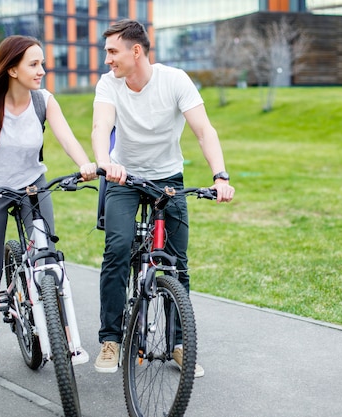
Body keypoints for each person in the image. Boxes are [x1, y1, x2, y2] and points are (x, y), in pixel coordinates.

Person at [91, 19, 235, 377]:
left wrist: (220, 175)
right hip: (124, 178)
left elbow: (204, 130)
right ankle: (110, 339)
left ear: (135, 50)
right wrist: (106, 164)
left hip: (168, 179)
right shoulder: (109, 84)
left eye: (112, 51)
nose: (107, 59)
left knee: (176, 262)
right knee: (117, 248)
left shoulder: (175, 80)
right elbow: (101, 127)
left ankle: (179, 345)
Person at [0, 35, 97, 386]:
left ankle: (64, 337)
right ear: (12, 68)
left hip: (33, 187)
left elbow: (66, 138)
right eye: (34, 64)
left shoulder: (43, 101)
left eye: (43, 63)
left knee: (47, 260)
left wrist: (85, 164)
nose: (42, 70)